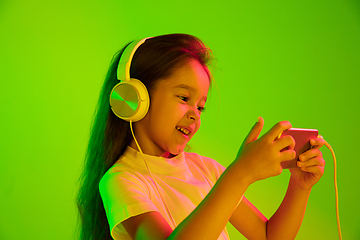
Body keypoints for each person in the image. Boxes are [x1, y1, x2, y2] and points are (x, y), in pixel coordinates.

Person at [77, 33, 325, 240]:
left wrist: (300, 186)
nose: (195, 115)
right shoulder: (121, 181)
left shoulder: (206, 169)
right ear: (135, 98)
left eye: (201, 106)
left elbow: (269, 236)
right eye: (184, 99)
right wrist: (241, 174)